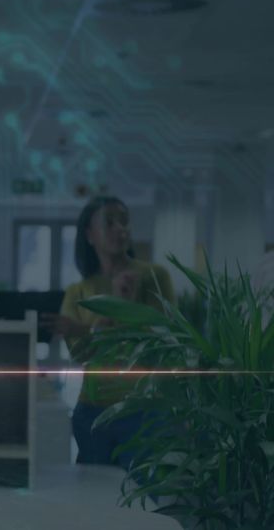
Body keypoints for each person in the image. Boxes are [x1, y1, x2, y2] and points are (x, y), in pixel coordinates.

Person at [42, 196, 175, 467]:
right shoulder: (78, 291)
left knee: (139, 500)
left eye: (124, 221)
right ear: (89, 235)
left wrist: (94, 323)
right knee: (92, 497)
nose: (120, 229)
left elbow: (162, 341)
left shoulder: (154, 276)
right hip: (92, 411)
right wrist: (104, 320)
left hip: (142, 408)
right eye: (109, 223)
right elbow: (81, 354)